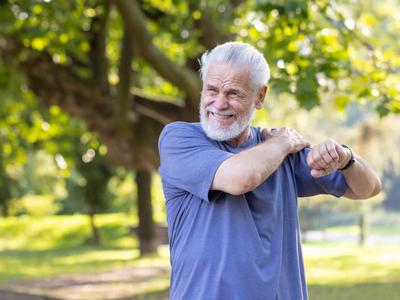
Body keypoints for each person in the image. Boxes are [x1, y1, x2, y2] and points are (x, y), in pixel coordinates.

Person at [158, 42, 381, 300]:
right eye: (211, 90)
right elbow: (241, 178)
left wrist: (346, 159)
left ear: (260, 97)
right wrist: (283, 141)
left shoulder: (278, 153)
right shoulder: (179, 138)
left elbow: (368, 188)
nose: (219, 103)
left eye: (233, 93)